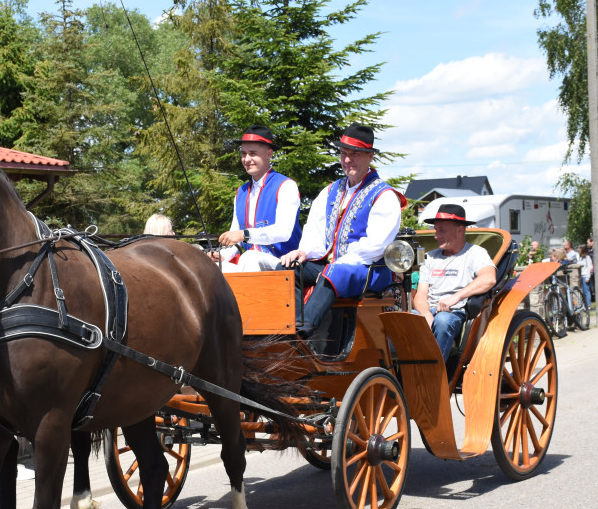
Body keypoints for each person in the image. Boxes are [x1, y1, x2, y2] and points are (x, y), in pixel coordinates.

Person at [278, 123, 405, 336]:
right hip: (333, 267)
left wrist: (335, 266)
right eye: (344, 153)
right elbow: (314, 230)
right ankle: (289, 327)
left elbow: (375, 246)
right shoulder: (330, 190)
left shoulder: (384, 195)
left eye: (354, 154)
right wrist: (304, 252)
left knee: (334, 272)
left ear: (370, 156)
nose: (347, 160)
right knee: (288, 269)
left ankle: (303, 335)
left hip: (369, 269)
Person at [411, 204, 497, 359]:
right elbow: (420, 295)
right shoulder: (430, 257)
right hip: (428, 312)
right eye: (435, 230)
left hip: (454, 313)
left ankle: (436, 378)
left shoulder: (475, 253)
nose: (436, 236)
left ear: (460, 231)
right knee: (400, 319)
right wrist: (426, 315)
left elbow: (489, 278)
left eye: (441, 230)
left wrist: (455, 297)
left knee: (443, 320)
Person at [211, 124, 301, 272]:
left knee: (250, 257)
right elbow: (236, 237)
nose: (246, 159)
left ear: (269, 154)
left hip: (283, 263)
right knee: (210, 269)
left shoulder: (286, 186)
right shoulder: (241, 192)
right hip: (250, 264)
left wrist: (244, 234)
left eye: (253, 153)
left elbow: (283, 232)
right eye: (243, 154)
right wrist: (221, 256)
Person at [578, 244, 593, 309]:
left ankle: (588, 305)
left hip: (585, 276)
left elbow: (589, 268)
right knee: (582, 291)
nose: (578, 250)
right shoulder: (580, 258)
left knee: (586, 291)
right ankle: (584, 304)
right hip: (580, 276)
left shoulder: (587, 258)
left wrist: (588, 277)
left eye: (579, 248)